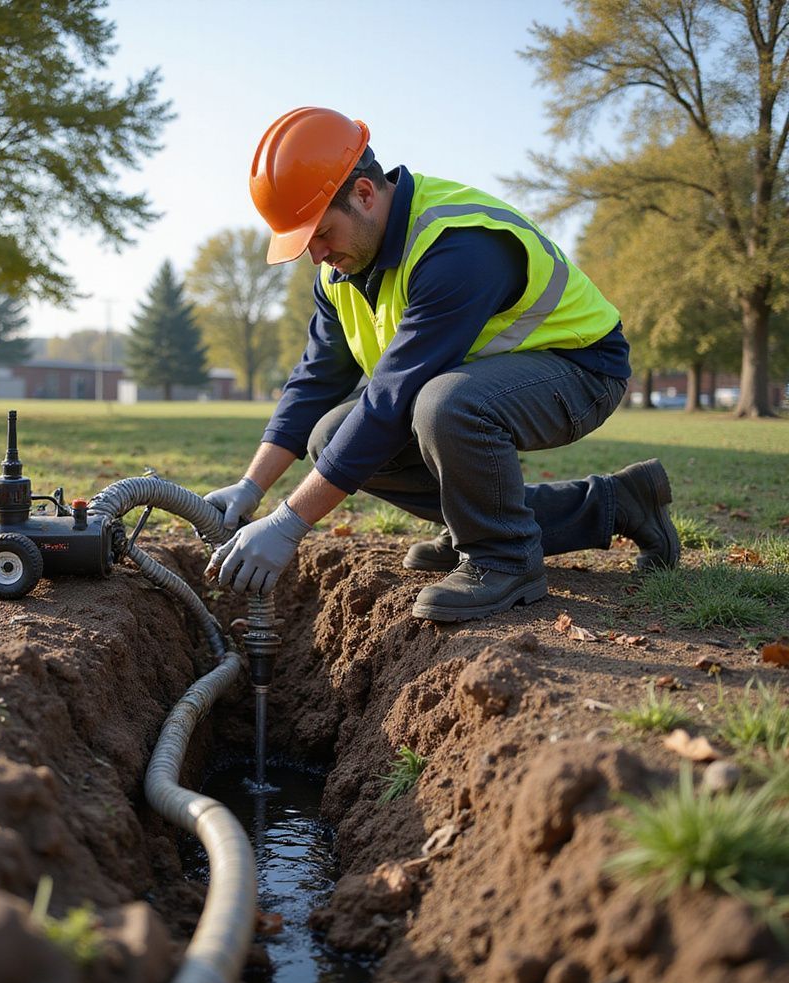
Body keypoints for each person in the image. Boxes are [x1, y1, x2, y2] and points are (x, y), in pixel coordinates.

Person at [205, 106, 679, 622]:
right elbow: (316, 381)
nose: (316, 255)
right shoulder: (339, 273)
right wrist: (251, 487)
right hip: (477, 386)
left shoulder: (457, 244)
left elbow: (393, 399)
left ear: (364, 194)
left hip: (582, 368)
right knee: (329, 434)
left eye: (320, 234)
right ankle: (609, 505)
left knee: (445, 404)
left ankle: (504, 558)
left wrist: (289, 522)